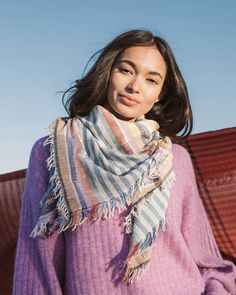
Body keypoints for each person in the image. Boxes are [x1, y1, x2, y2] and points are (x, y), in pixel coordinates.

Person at [13, 30, 236, 295]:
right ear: (107, 73)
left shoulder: (174, 158)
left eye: (151, 80)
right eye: (126, 70)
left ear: (160, 95)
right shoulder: (54, 151)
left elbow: (206, 259)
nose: (135, 86)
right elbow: (36, 260)